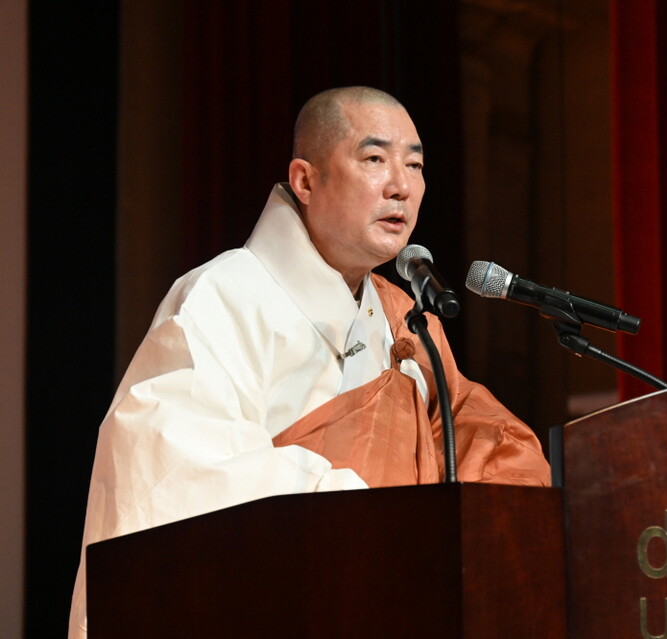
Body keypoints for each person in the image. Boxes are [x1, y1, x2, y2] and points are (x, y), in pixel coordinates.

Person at [68, 86, 550, 638]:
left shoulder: (407, 324)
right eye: (375, 159)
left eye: (414, 165)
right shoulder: (226, 294)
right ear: (305, 179)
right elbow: (175, 467)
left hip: (394, 604)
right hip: (285, 603)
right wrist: (371, 519)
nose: (401, 186)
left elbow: (478, 437)